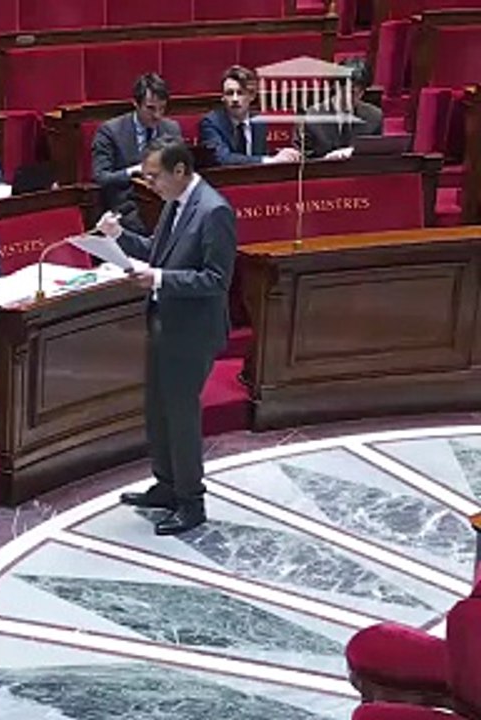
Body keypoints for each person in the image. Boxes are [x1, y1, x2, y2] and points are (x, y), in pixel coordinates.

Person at [95, 138, 235, 536]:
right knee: (158, 410)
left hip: (193, 330)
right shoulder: (176, 202)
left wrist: (158, 279)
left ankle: (191, 501)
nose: (149, 184)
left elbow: (216, 279)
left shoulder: (214, 211)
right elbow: (156, 252)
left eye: (154, 176)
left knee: (181, 415)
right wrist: (118, 236)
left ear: (179, 171)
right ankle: (167, 484)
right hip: (164, 321)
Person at [91, 74, 182, 232]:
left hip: (164, 202)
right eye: (151, 108)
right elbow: (101, 177)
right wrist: (132, 171)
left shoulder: (171, 129)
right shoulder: (110, 131)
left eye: (162, 108)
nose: (157, 115)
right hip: (127, 207)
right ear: (135, 103)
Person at [200, 65, 302, 166]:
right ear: (223, 97)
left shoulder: (259, 122)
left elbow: (261, 155)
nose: (235, 99)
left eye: (240, 93)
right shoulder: (211, 123)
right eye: (229, 93)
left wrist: (284, 155)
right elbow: (222, 158)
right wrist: (268, 160)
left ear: (252, 96)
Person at [297, 57, 384, 160]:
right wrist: (326, 160)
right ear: (336, 85)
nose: (352, 97)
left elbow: (375, 158)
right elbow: (302, 161)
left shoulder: (374, 117)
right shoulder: (310, 117)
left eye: (360, 92)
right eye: (349, 91)